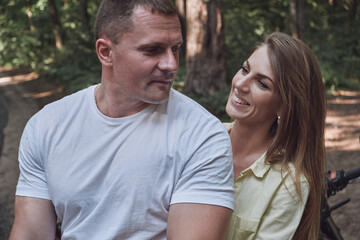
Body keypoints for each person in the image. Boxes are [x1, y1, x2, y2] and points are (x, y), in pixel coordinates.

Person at [9, 0, 234, 239]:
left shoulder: (203, 136)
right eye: (152, 49)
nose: (172, 64)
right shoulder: (47, 125)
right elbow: (30, 233)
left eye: (175, 48)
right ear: (106, 52)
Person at [224, 32, 327, 240]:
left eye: (262, 83)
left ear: (283, 106)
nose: (241, 84)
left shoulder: (288, 184)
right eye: (245, 69)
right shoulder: (201, 140)